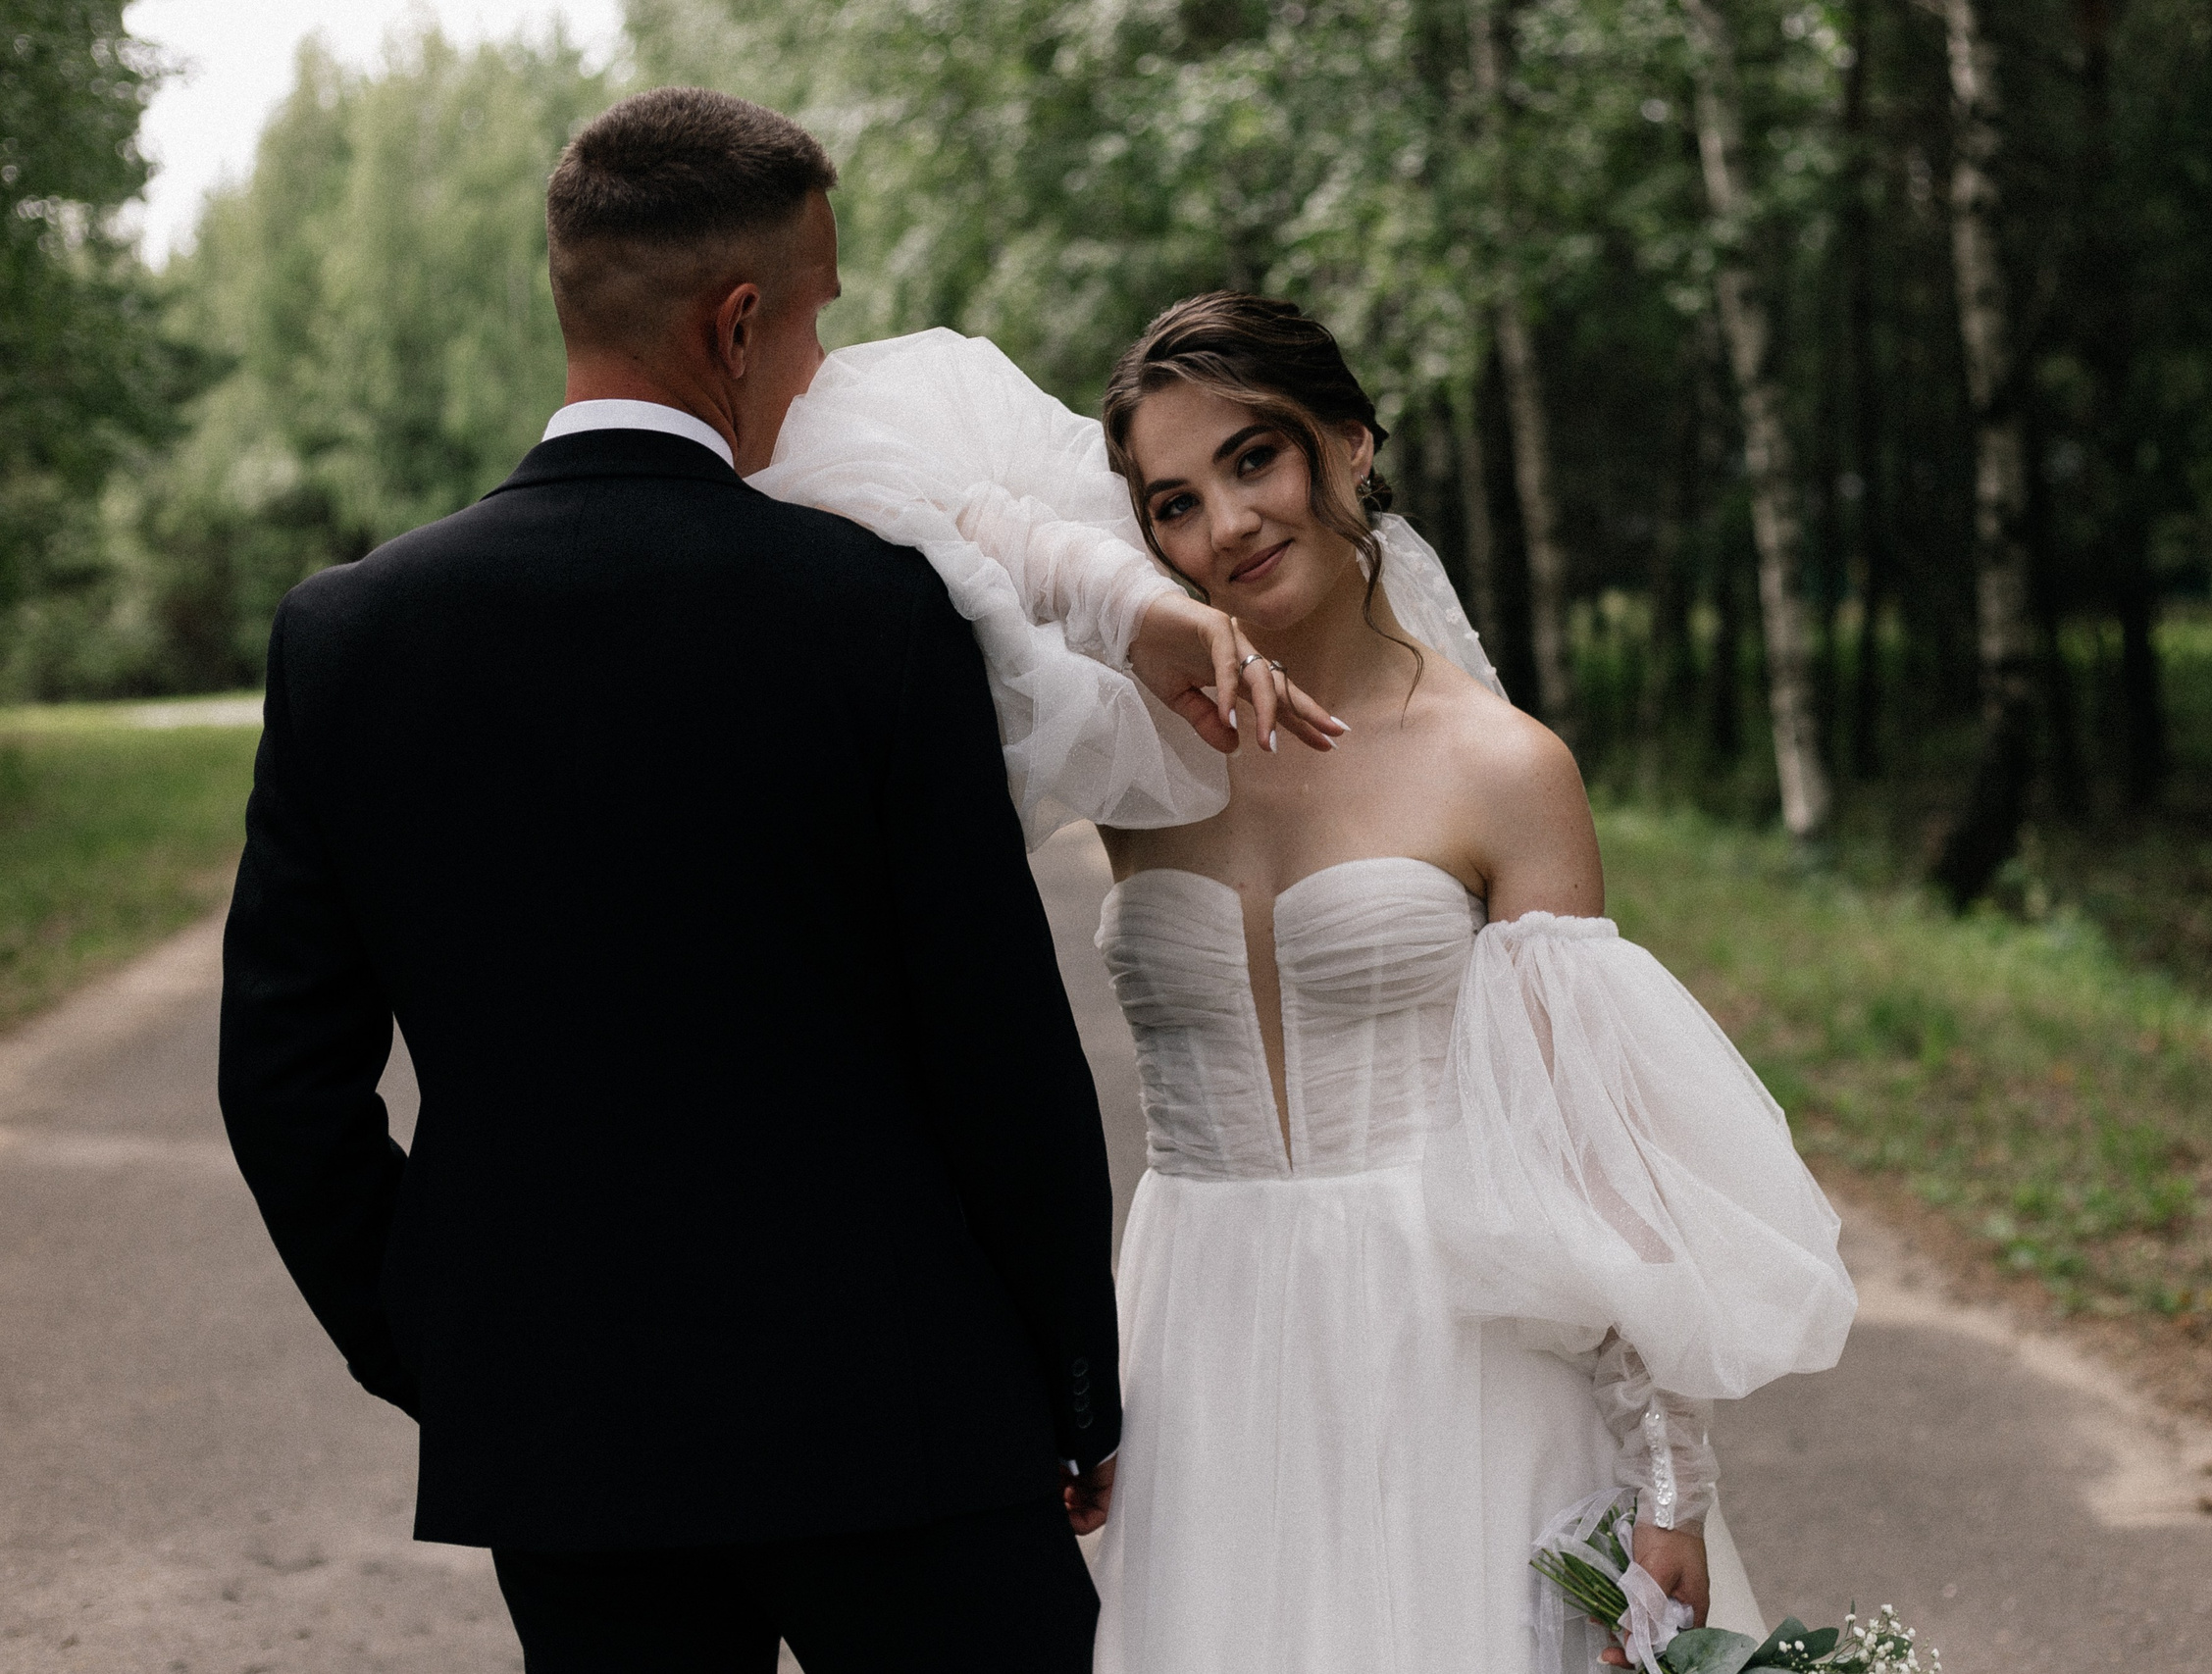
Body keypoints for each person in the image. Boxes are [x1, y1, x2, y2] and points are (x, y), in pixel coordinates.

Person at [215, 89, 1321, 1673]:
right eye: (816, 319)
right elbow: (993, 1043)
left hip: (567, 1440)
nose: (824, 367)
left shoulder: (349, 636)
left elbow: (282, 1083)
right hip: (909, 1421)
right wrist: (1076, 1378)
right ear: (737, 327)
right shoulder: (874, 610)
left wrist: (447, 1347)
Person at [754, 296, 1860, 1673]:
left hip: (1461, 1352)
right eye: (1171, 503)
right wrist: (1119, 600)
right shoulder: (1137, 754)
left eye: (1254, 459)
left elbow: (1588, 1145)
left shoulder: (1504, 767)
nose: (1225, 525)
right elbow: (841, 462)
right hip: (1201, 1345)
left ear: (1349, 443)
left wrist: (1670, 1480)